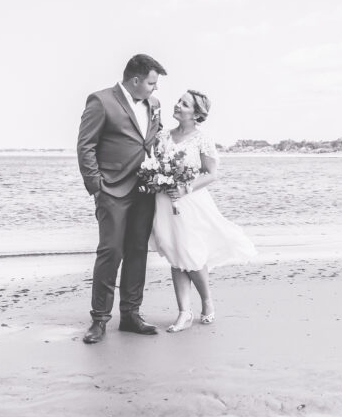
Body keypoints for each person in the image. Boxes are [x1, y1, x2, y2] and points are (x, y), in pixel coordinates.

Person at [77, 53, 167, 344]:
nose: (155, 89)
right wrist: (96, 186)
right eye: (152, 83)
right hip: (112, 189)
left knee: (137, 251)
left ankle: (131, 315)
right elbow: (86, 145)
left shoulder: (154, 104)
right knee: (111, 252)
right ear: (136, 80)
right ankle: (100, 320)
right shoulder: (100, 101)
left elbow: (155, 137)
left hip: (145, 189)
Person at [150, 89, 256, 332]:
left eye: (184, 104)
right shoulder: (163, 136)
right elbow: (155, 164)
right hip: (164, 201)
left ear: (196, 114)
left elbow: (211, 174)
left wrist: (184, 187)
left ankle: (206, 301)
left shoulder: (202, 139)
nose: (177, 105)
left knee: (193, 255)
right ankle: (183, 313)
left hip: (190, 202)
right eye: (178, 101)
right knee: (175, 254)